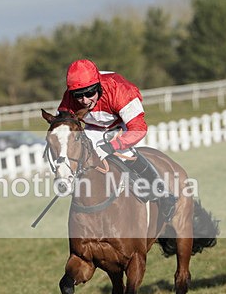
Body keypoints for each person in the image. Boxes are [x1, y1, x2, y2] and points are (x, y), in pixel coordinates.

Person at [57, 58, 178, 220]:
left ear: (98, 86)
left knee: (127, 153)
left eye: (89, 93)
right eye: (78, 95)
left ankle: (163, 194)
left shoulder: (119, 89)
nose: (85, 100)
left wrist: (112, 146)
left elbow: (139, 129)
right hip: (93, 128)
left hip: (122, 125)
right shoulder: (69, 99)